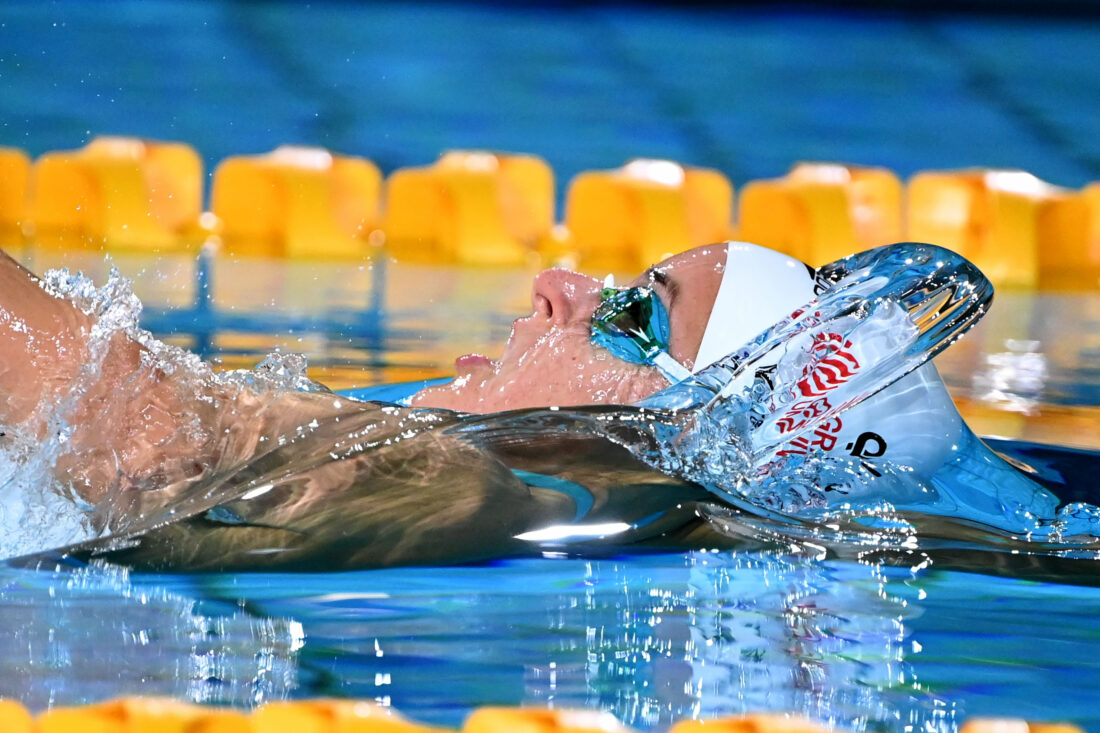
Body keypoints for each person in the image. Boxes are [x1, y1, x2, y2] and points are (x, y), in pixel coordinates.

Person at [0, 242, 1064, 571]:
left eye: (634, 317)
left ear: (691, 421)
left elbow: (124, 423)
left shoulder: (442, 479)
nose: (559, 287)